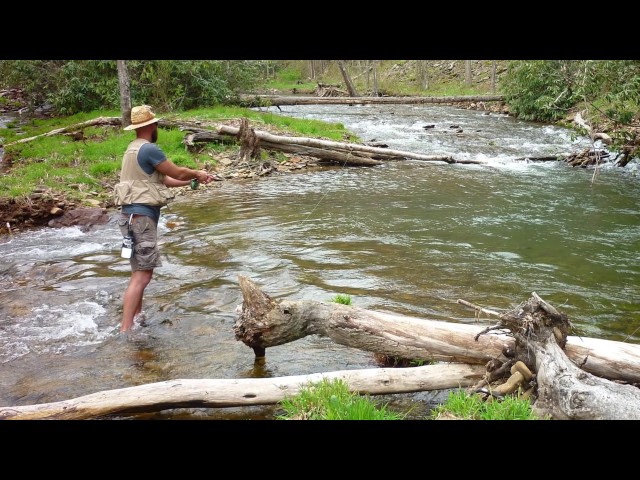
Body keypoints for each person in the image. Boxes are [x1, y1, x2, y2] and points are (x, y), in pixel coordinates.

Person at [113, 105, 214, 333]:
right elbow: (176, 172)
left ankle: (136, 319)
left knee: (138, 272)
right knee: (143, 276)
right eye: (156, 123)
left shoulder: (132, 149)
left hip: (130, 218)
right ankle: (126, 330)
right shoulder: (149, 149)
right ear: (151, 126)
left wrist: (190, 183)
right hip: (141, 219)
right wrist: (197, 173)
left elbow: (165, 181)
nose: (157, 126)